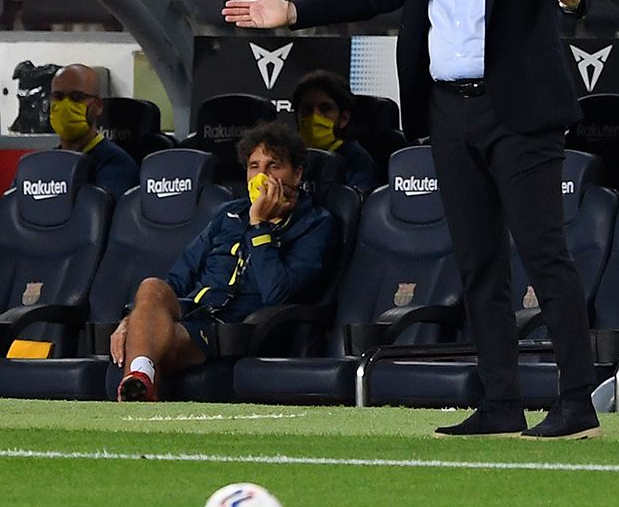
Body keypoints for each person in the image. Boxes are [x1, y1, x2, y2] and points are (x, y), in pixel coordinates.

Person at [222, 0, 599, 439]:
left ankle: (578, 404)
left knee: (543, 255)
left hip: (518, 115)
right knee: (478, 262)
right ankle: (502, 404)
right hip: (450, 114)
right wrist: (292, 12)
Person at [110, 122, 333, 401]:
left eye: (273, 166)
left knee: (157, 338)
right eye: (254, 166)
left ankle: (138, 377)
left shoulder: (315, 223)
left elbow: (278, 293)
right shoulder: (228, 214)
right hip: (194, 314)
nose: (261, 176)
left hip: (238, 331)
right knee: (152, 287)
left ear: (297, 174)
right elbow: (178, 279)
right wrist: (133, 320)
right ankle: (139, 378)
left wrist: (259, 226)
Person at [48, 64, 137, 200]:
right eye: (58, 97)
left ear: (98, 106)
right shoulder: (42, 164)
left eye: (77, 97)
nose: (65, 105)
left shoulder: (117, 164)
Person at [291, 70, 381, 192]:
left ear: (343, 118)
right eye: (307, 109)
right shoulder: (289, 156)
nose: (314, 116)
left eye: (325, 109)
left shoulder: (357, 162)